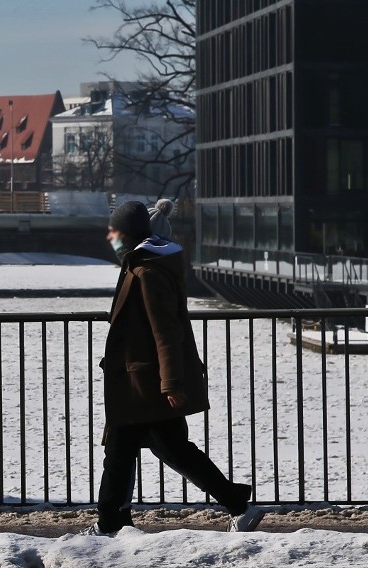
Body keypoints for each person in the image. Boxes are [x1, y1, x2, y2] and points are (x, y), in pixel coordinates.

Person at [86, 201, 263, 534]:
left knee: (143, 451)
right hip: (137, 381)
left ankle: (111, 523)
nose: (110, 239)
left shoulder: (147, 270)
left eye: (114, 233)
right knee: (143, 450)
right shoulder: (140, 264)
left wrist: (171, 382)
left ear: (128, 234)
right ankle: (113, 521)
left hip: (144, 384)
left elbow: (165, 330)